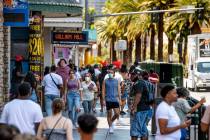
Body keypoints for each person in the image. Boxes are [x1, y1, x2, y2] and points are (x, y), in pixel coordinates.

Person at [129, 69, 152, 140]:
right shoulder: (140, 83)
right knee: (143, 131)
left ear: (139, 76)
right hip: (143, 109)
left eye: (133, 74)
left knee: (134, 132)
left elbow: (138, 95)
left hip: (139, 110)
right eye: (131, 74)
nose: (131, 76)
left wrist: (133, 108)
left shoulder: (139, 83)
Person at [102, 68, 120, 134]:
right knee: (109, 114)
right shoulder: (105, 81)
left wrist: (120, 99)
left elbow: (119, 90)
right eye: (109, 72)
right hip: (108, 99)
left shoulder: (116, 81)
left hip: (115, 99)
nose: (110, 74)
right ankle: (110, 127)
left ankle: (111, 122)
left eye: (111, 72)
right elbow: (103, 91)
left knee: (117, 113)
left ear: (114, 74)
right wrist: (103, 100)